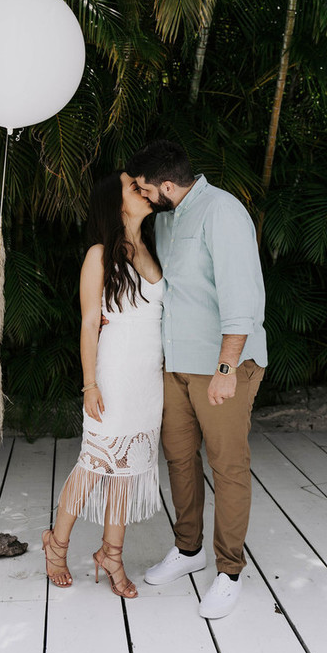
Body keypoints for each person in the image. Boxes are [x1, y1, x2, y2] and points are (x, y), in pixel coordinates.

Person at [125, 139, 267, 619]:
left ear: (167, 185)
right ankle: (189, 550)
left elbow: (242, 298)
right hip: (178, 363)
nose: (143, 195)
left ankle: (230, 571)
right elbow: (164, 284)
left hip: (223, 365)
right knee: (180, 459)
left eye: (145, 189)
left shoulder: (222, 212)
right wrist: (132, 226)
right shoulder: (167, 218)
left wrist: (226, 370)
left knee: (228, 466)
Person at [42, 171, 164, 598]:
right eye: (133, 187)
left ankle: (112, 554)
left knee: (126, 469)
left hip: (148, 379)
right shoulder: (99, 255)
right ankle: (56, 544)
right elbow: (90, 321)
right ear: (116, 203)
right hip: (113, 375)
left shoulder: (151, 246)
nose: (143, 190)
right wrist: (89, 384)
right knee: (94, 465)